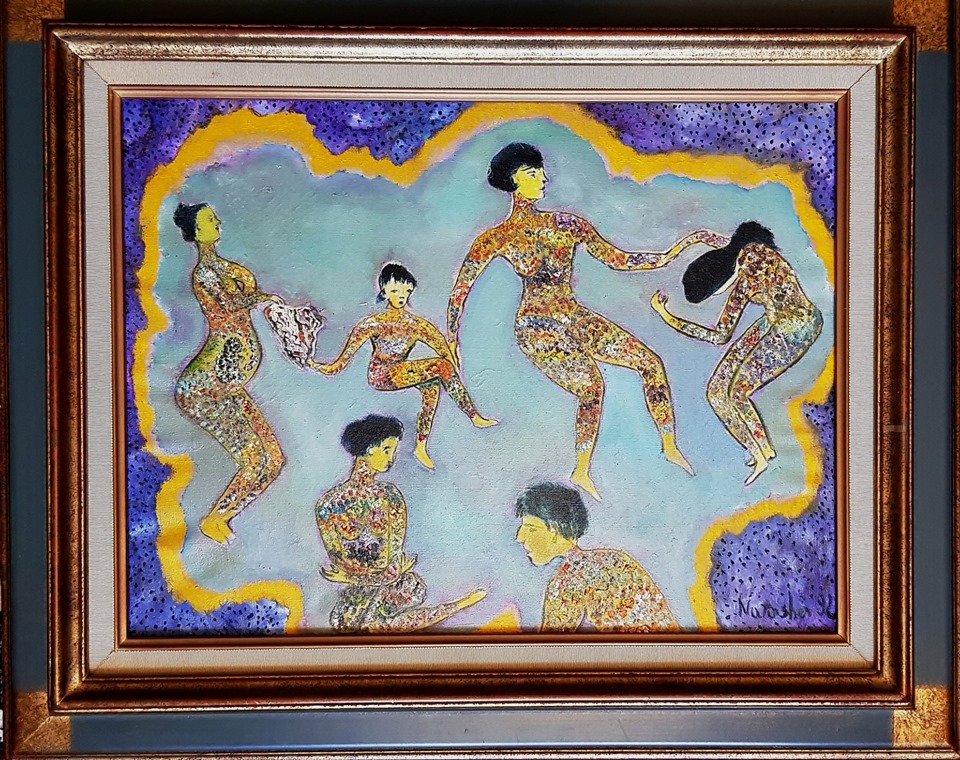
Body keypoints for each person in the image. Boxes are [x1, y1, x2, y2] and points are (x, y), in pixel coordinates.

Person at [448, 142, 722, 500]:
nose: (543, 178)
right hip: (535, 327)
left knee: (650, 363)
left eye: (541, 171)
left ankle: (670, 446)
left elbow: (618, 259)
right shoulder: (496, 239)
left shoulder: (567, 224)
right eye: (532, 173)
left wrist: (676, 251)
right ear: (513, 180)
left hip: (574, 316)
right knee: (592, 387)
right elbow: (460, 289)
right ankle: (581, 470)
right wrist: (452, 338)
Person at [651, 221, 824, 485]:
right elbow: (700, 235)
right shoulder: (738, 246)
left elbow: (719, 335)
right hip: (777, 318)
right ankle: (764, 448)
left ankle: (759, 453)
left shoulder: (745, 281)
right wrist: (669, 255)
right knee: (716, 389)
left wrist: (667, 316)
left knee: (735, 393)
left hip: (796, 330)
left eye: (716, 293)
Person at [172, 202, 285, 545]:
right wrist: (261, 297)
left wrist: (257, 295)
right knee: (253, 458)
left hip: (228, 386)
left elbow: (241, 291)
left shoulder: (224, 268)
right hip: (204, 388)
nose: (217, 221)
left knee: (274, 459)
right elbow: (229, 304)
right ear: (196, 231)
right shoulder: (204, 274)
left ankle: (220, 516)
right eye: (209, 219)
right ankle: (213, 520)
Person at [310, 263, 496, 470]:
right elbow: (341, 361)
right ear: (384, 291)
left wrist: (454, 370)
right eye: (395, 291)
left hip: (400, 371)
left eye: (406, 291)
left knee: (432, 386)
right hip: (381, 374)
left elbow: (442, 348)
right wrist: (318, 366)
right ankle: (473, 416)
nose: (401, 296)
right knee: (440, 368)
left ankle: (421, 446)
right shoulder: (372, 324)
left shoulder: (416, 325)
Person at [316, 414, 486, 632]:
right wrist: (371, 575)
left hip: (393, 589)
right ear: (369, 449)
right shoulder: (328, 505)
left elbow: (393, 563)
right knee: (349, 624)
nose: (392, 458)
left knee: (384, 614)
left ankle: (456, 606)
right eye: (387, 449)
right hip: (357, 598)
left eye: (394, 451)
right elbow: (340, 561)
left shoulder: (390, 497)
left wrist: (355, 576)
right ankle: (457, 606)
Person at [514, 482, 677, 632]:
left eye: (531, 528)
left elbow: (550, 646)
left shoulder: (569, 579)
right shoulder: (616, 559)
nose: (519, 537)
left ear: (555, 530)